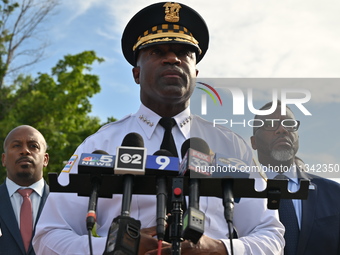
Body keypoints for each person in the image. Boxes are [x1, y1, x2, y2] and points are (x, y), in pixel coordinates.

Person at [33, 2, 284, 255]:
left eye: (184, 52)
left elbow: (271, 236)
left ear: (195, 72)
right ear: (136, 74)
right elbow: (48, 236)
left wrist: (219, 249)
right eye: (156, 51)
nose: (173, 58)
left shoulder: (230, 145)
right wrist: (117, 246)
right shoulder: (100, 144)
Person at [250, 100, 340, 255]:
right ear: (254, 142)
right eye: (270, 124)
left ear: (297, 136)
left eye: (289, 124)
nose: (282, 130)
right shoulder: (236, 194)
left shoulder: (334, 193)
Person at [0, 125, 50, 255]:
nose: (25, 151)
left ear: (45, 159)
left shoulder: (63, 203)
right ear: (4, 159)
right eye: (16, 145)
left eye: (33, 146)